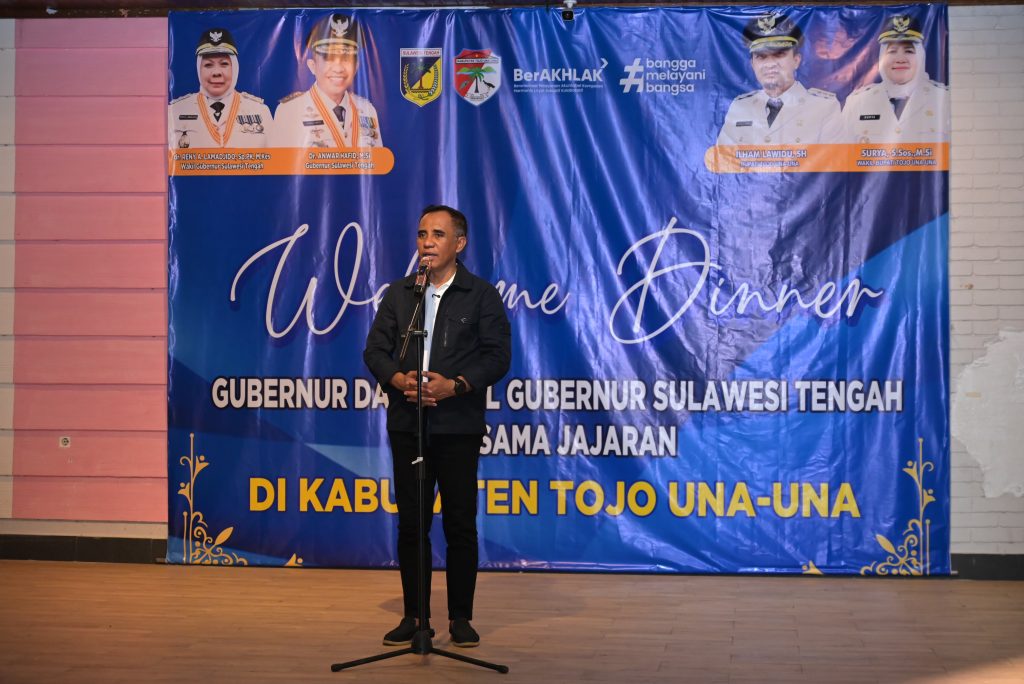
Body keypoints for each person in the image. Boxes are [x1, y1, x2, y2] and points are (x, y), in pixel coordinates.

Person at [363, 205, 511, 648]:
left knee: (459, 523)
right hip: (408, 423)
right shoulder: (400, 294)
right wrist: (397, 379)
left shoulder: (480, 295)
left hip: (457, 425)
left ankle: (461, 617)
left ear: (459, 243)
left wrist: (456, 385)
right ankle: (415, 615)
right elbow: (375, 351)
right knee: (413, 524)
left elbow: (497, 357)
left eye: (438, 234)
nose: (427, 242)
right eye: (422, 234)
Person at [717, 13, 843, 145]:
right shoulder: (740, 107)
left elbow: (834, 157)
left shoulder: (824, 107)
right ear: (753, 64)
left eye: (779, 54)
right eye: (761, 57)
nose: (770, 64)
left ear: (796, 60)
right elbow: (724, 156)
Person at [270, 13, 383, 148]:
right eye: (328, 58)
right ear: (312, 66)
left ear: (356, 67)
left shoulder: (366, 109)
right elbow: (281, 161)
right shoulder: (290, 111)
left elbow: (377, 159)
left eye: (346, 58)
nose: (338, 68)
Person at [842, 15, 950, 144]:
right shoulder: (857, 102)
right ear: (882, 56)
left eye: (909, 51)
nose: (900, 59)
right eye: (892, 51)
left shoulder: (943, 99)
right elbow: (843, 152)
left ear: (920, 56)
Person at [168, 28, 273, 149]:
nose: (216, 72)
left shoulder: (261, 111)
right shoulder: (175, 111)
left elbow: (276, 158)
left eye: (224, 64)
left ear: (234, 68)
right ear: (198, 69)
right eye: (208, 65)